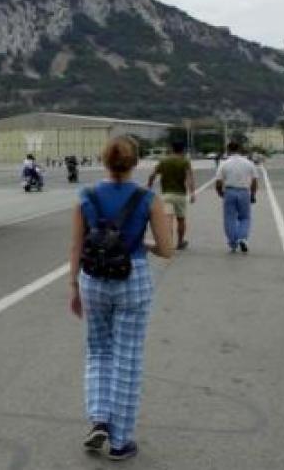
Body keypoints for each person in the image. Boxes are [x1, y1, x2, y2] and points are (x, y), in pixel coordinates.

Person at [70, 136, 174, 461]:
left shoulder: (85, 196)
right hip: (133, 278)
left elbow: (76, 247)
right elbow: (167, 249)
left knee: (98, 351)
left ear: (104, 161)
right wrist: (143, 245)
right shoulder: (148, 198)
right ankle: (120, 441)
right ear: (135, 162)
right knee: (127, 359)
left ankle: (99, 418)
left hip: (93, 281)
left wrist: (73, 287)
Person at [147, 140, 195, 249]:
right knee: (181, 219)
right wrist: (192, 193)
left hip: (166, 195)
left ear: (172, 149)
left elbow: (152, 175)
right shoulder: (185, 162)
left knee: (168, 218)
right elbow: (189, 178)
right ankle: (180, 242)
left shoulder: (164, 161)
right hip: (180, 195)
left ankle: (168, 242)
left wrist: (149, 187)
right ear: (183, 150)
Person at [215, 141, 258, 253]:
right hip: (244, 192)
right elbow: (254, 181)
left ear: (228, 150)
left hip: (229, 191)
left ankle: (233, 242)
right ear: (240, 149)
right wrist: (253, 194)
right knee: (245, 217)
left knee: (229, 218)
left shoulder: (224, 163)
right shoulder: (248, 163)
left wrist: (220, 192)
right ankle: (242, 237)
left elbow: (218, 182)